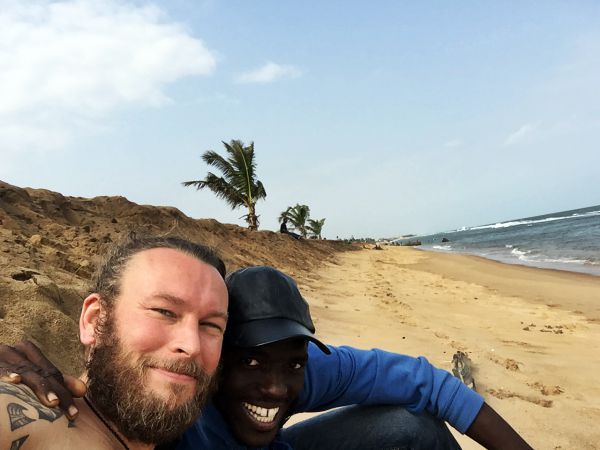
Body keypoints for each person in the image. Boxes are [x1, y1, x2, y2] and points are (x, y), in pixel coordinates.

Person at [2, 266, 533, 449]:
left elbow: (431, 384)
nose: (276, 385)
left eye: (292, 362)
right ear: (217, 357)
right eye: (252, 361)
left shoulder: (298, 370)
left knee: (413, 426)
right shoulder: (176, 396)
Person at [0, 235, 229, 449]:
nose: (192, 346)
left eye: (211, 325)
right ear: (94, 320)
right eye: (164, 311)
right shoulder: (27, 423)